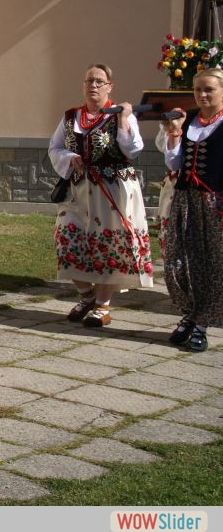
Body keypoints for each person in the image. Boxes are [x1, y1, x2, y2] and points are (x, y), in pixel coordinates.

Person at [48, 64, 153, 328]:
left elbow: (132, 150)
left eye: (99, 81)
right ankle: (87, 296)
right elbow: (55, 147)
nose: (93, 86)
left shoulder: (120, 114)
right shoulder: (71, 116)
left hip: (112, 190)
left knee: (108, 246)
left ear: (109, 86)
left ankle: (102, 305)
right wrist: (70, 157)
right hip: (78, 190)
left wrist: (124, 120)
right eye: (89, 81)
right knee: (66, 241)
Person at [159, 67, 223, 351]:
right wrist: (174, 133)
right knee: (177, 261)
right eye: (198, 89)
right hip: (185, 200)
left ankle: (202, 324)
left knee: (210, 265)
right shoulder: (189, 120)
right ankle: (190, 313)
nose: (202, 94)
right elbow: (174, 163)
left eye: (209, 89)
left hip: (215, 203)